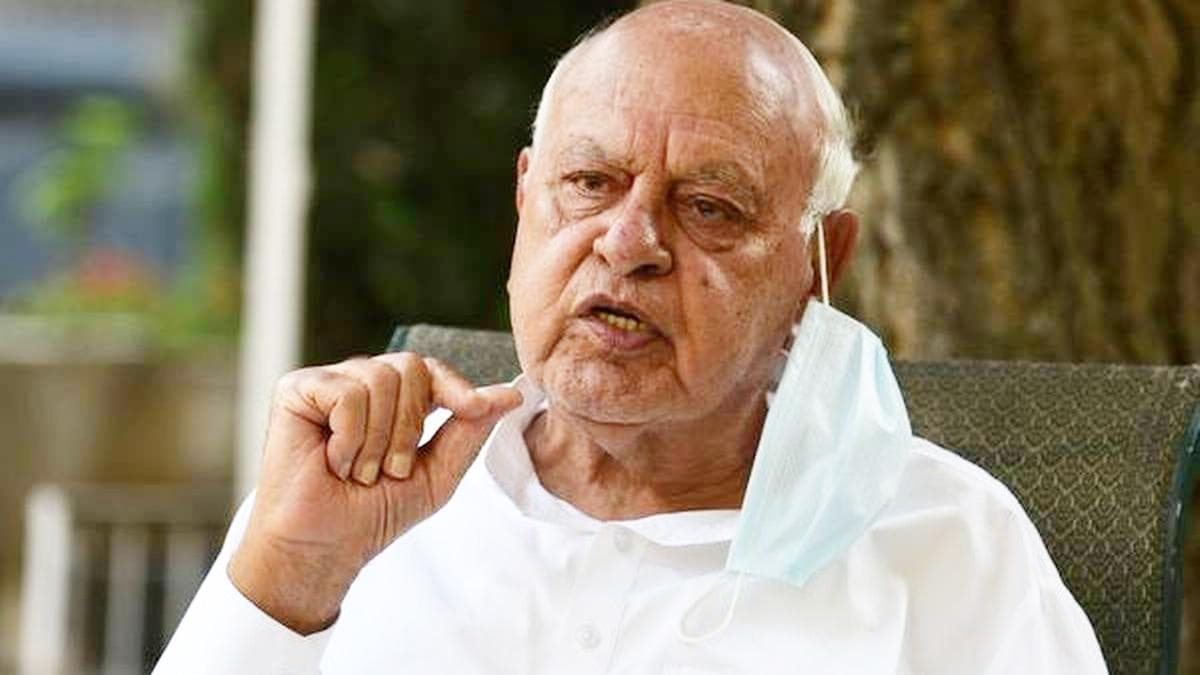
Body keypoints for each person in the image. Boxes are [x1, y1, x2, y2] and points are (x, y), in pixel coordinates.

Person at [155, 1, 1107, 672]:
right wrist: (287, 576)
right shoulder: (356, 497)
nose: (629, 242)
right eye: (590, 183)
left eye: (709, 206)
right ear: (525, 197)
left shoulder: (943, 542)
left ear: (820, 266)